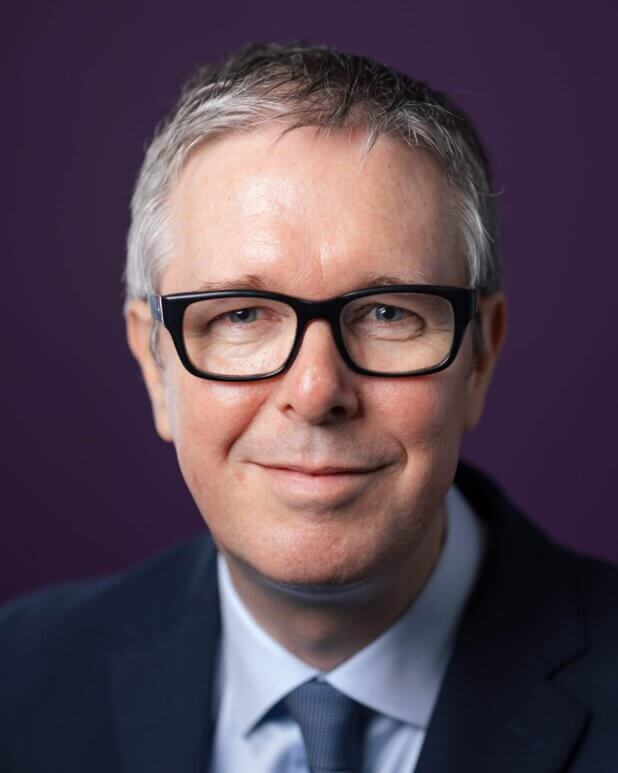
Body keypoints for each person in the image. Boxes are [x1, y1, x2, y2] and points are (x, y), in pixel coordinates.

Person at [1, 41, 616, 773]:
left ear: (478, 355)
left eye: (387, 313)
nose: (318, 390)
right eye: (241, 315)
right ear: (153, 363)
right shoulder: (19, 680)